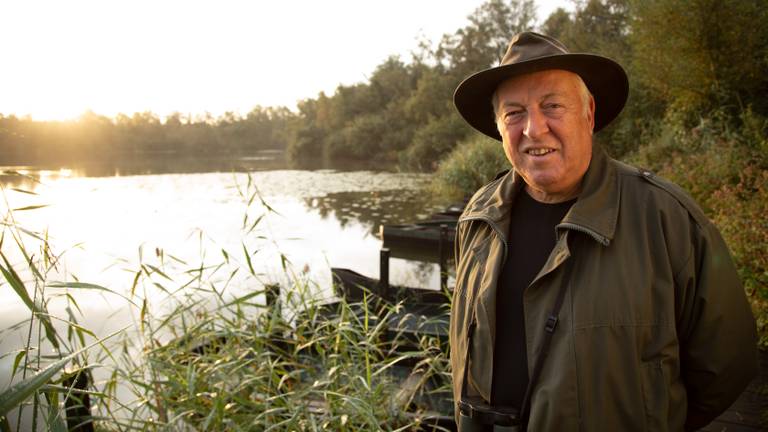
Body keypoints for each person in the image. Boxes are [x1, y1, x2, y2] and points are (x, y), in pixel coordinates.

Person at [449, 31, 758, 432]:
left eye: (552, 106)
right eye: (514, 113)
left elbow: (727, 365)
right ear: (499, 127)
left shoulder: (666, 218)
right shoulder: (478, 217)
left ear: (589, 113)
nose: (534, 129)